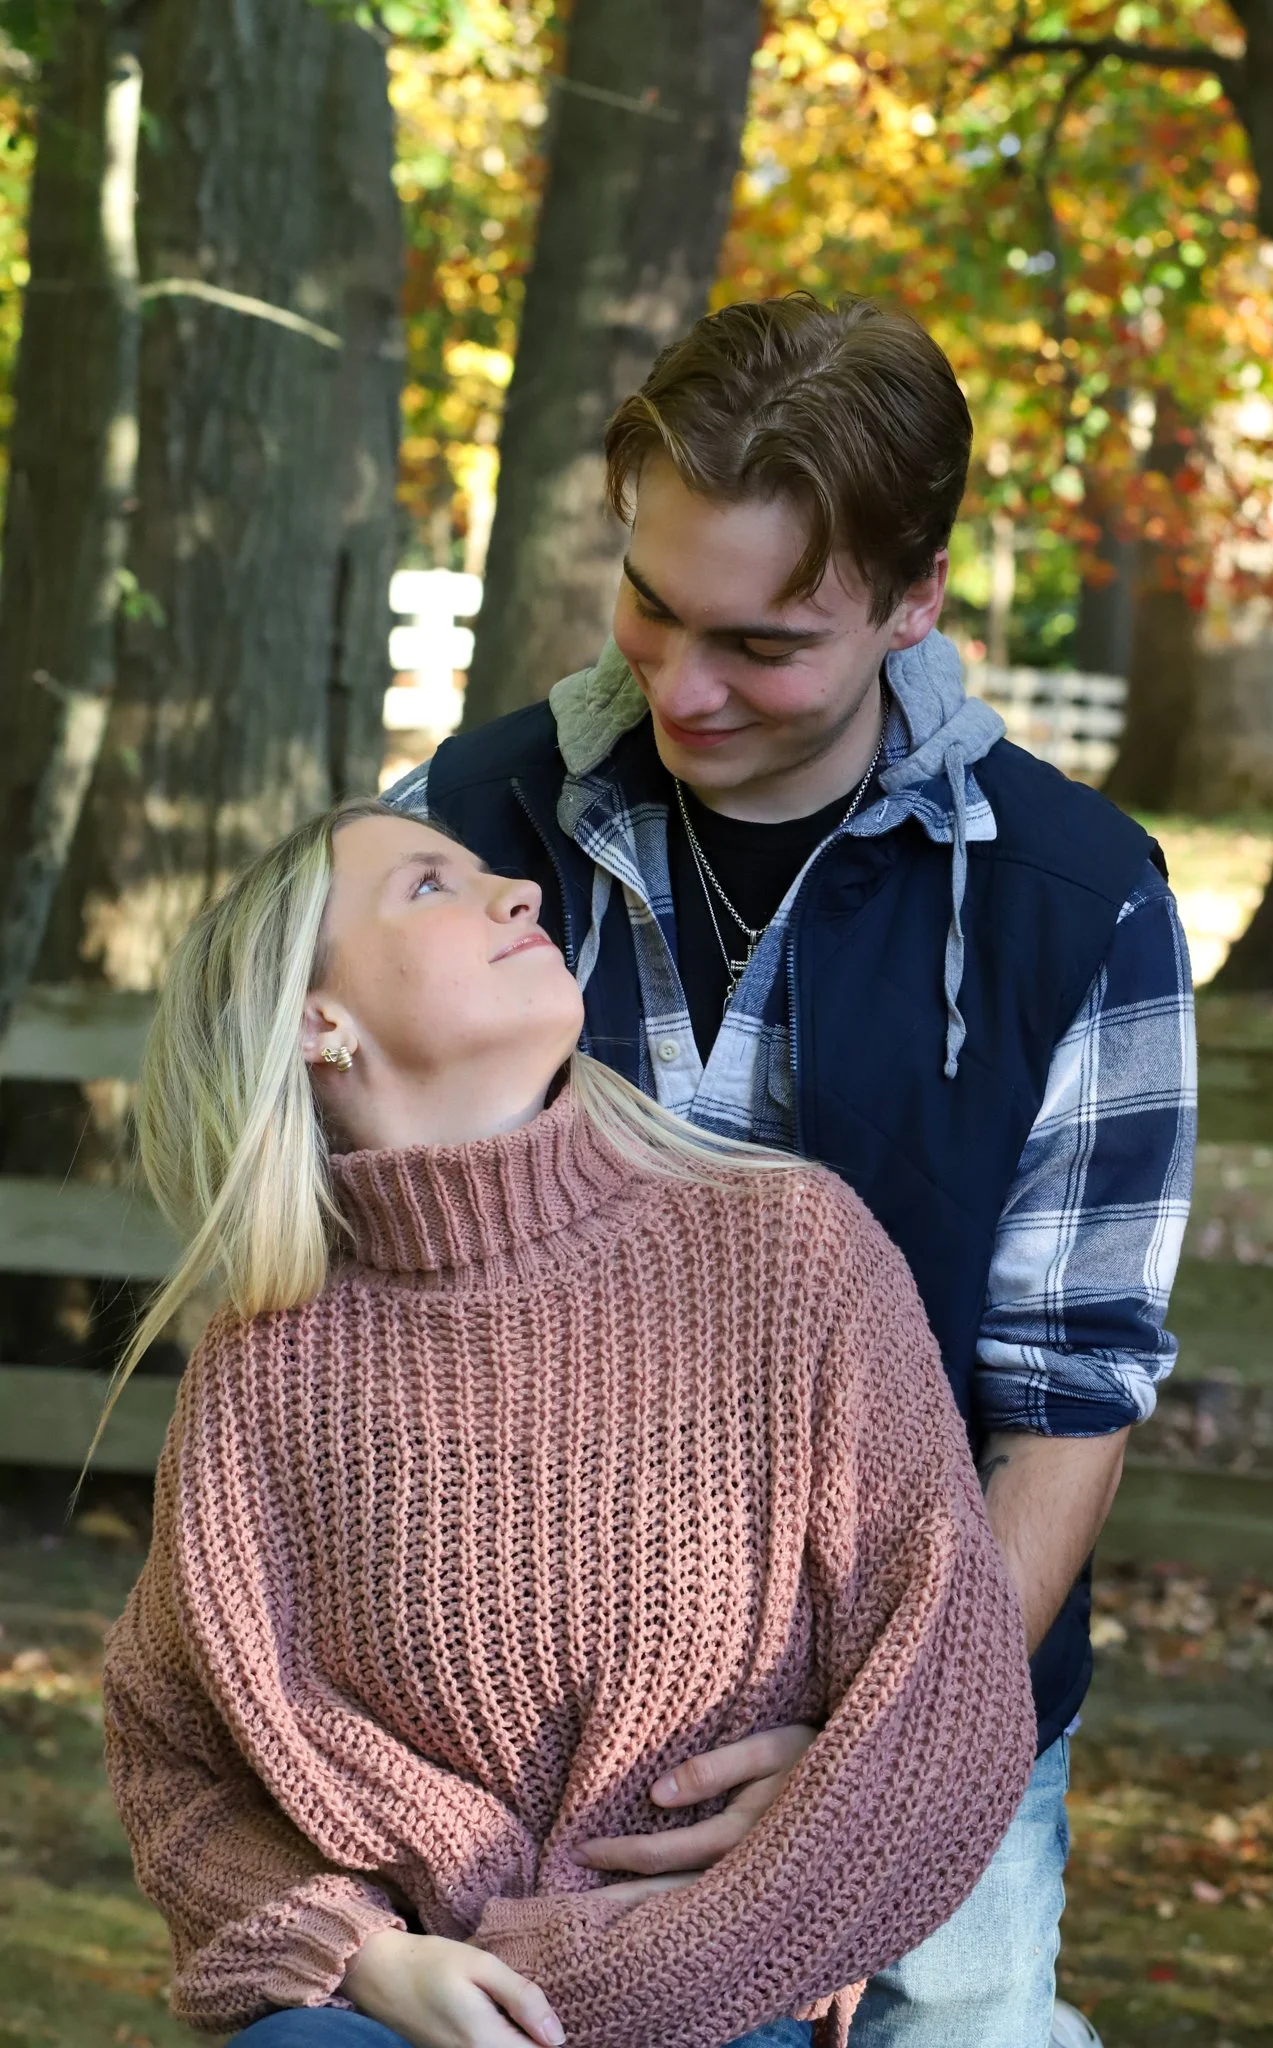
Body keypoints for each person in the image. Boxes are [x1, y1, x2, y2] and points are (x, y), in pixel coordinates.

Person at [386, 292, 1198, 2048]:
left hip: (929, 1702)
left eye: (762, 644)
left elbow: (1066, 1404)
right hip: (522, 1709)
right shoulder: (464, 822)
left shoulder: (1081, 902)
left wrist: (870, 1764)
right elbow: (331, 1245)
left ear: (913, 603)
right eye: (654, 605)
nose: (683, 686)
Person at [100, 798, 1036, 2047]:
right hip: (404, 2011)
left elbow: (950, 1702)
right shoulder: (265, 1365)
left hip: (720, 1983)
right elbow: (171, 1751)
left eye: (494, 874)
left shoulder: (789, 1252)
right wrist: (356, 1950)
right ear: (320, 1019)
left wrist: (599, 1981)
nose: (520, 893)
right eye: (430, 886)